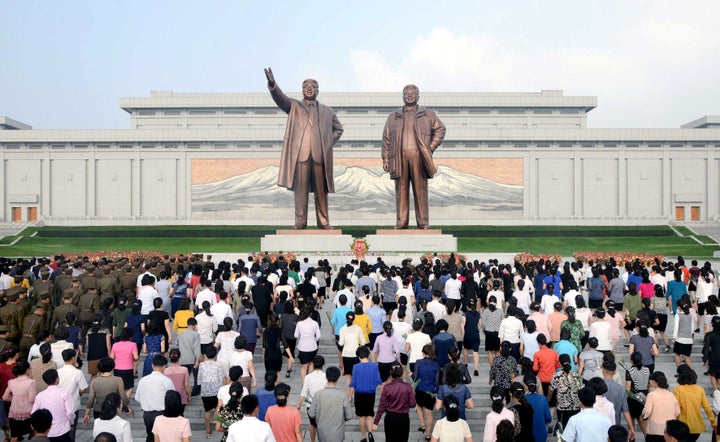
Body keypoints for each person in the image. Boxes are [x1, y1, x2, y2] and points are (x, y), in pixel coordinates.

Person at [264, 67, 343, 230]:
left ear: (317, 90)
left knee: (321, 192)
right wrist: (273, 84)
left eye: (312, 87)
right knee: (300, 192)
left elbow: (339, 129)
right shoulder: (294, 106)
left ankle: (323, 222)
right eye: (305, 87)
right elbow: (280, 99)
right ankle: (300, 222)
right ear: (302, 90)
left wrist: (327, 143)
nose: (309, 89)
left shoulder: (327, 111)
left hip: (320, 156)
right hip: (301, 156)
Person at [382, 83, 446, 229]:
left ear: (418, 96)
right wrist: (385, 158)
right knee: (401, 190)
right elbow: (386, 138)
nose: (409, 96)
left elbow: (440, 129)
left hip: (419, 157)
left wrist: (430, 147)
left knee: (420, 190)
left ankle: (423, 223)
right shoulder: (393, 116)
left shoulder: (428, 114)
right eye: (406, 94)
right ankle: (401, 222)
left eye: (412, 94)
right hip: (399, 157)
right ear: (403, 96)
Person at [135, 355, 174, 442]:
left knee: (150, 435)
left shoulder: (143, 380)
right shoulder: (167, 381)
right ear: (164, 366)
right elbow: (172, 398)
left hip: (147, 415)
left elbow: (137, 397)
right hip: (162, 413)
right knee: (163, 437)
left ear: (152, 365)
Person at [307, 366, 353, 442]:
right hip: (338, 433)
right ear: (338, 378)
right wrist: (340, 419)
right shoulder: (343, 394)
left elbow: (311, 413)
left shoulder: (318, 394)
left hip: (322, 433)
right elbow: (349, 415)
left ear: (326, 377)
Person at [373, 364, 416, 442]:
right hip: (403, 418)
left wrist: (376, 422)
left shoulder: (387, 387)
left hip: (390, 417)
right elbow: (413, 404)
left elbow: (381, 406)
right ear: (402, 373)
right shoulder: (408, 386)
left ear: (391, 373)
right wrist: (405, 405)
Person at [674, 365, 715, 441]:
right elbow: (707, 407)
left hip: (682, 425)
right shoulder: (700, 389)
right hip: (697, 426)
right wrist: (713, 422)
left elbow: (676, 408)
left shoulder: (678, 390)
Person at [349, 346, 382, 442]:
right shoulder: (374, 366)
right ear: (367, 355)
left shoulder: (356, 367)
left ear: (358, 356)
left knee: (361, 416)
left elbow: (353, 383)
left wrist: (350, 396)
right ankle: (370, 432)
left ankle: (363, 437)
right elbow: (378, 381)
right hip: (371, 393)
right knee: (369, 414)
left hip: (359, 394)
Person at [31, 369, 74, 442]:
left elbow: (33, 413)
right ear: (57, 379)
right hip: (62, 430)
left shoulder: (40, 395)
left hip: (46, 432)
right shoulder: (65, 393)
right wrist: (71, 422)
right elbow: (70, 412)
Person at [57, 348, 87, 438]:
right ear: (73, 358)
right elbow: (83, 388)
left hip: (60, 404)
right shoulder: (78, 373)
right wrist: (78, 392)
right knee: (72, 430)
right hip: (73, 404)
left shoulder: (58, 372)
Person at [600, 360, 634, 440]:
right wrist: (631, 427)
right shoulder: (621, 389)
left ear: (602, 370)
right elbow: (625, 410)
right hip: (615, 425)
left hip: (599, 425)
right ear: (615, 372)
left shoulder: (598, 386)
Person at [641, 371, 680, 442]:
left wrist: (643, 416)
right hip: (668, 430)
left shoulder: (651, 395)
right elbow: (677, 412)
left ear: (654, 382)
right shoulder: (671, 395)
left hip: (654, 430)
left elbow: (647, 411)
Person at [3, 360, 36, 442]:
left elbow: (4, 397)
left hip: (14, 413)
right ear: (27, 370)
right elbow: (32, 399)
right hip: (28, 413)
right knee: (34, 432)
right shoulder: (31, 382)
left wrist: (14, 399)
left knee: (14, 436)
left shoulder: (11, 382)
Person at [548, 353, 583, 431]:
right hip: (575, 406)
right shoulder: (577, 375)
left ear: (560, 364)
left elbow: (551, 390)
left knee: (563, 428)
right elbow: (580, 389)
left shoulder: (557, 376)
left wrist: (548, 398)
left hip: (562, 407)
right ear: (570, 362)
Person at [413, 344, 440, 440]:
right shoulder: (436, 364)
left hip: (420, 389)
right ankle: (428, 434)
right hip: (430, 391)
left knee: (419, 405)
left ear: (423, 353)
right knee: (429, 413)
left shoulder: (418, 362)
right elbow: (437, 382)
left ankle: (422, 424)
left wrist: (412, 374)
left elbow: (415, 377)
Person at [297, 355, 327, 442]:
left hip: (310, 403)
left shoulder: (308, 377)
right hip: (323, 404)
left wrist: (299, 404)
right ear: (323, 364)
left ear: (313, 364)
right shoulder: (326, 376)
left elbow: (304, 392)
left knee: (312, 424)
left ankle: (312, 440)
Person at [171, 316, 201, 394]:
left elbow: (176, 346)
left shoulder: (180, 334)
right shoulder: (195, 335)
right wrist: (197, 360)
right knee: (196, 376)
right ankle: (195, 391)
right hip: (192, 359)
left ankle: (182, 390)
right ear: (194, 325)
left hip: (182, 359)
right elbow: (197, 348)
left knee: (183, 377)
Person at [626, 351, 651, 435]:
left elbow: (628, 387)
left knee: (631, 420)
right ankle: (647, 438)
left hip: (633, 396)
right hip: (644, 396)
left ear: (632, 361)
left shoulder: (630, 371)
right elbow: (648, 384)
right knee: (641, 421)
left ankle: (632, 437)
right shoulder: (647, 370)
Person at [294, 307, 321, 383]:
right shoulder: (315, 323)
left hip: (302, 347)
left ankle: (304, 383)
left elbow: (296, 335)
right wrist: (313, 340)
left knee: (303, 366)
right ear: (310, 314)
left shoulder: (299, 323)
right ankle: (310, 382)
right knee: (311, 365)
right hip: (312, 346)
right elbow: (318, 336)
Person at [523, 374, 551, 442]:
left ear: (525, 386)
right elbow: (548, 418)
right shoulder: (543, 399)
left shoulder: (523, 399)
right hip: (541, 433)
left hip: (526, 434)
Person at [164, 348, 191, 415]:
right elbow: (186, 384)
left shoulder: (165, 371)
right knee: (180, 415)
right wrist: (189, 395)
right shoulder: (184, 369)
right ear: (179, 357)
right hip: (181, 396)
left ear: (169, 357)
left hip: (169, 397)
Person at [86, 314, 112, 379]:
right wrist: (109, 354)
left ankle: (92, 388)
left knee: (93, 375)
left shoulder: (89, 331)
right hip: (103, 355)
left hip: (92, 355)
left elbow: (87, 344)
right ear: (102, 321)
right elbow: (108, 344)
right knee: (103, 374)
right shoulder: (106, 330)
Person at [673, 298, 696, 367]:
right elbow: (692, 329)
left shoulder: (678, 315)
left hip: (680, 339)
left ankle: (680, 371)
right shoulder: (690, 316)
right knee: (687, 357)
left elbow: (676, 328)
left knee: (677, 355)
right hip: (689, 339)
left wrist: (674, 337)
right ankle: (692, 372)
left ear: (679, 307)